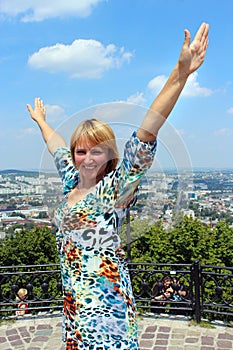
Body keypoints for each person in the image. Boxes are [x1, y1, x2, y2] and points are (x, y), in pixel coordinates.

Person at [27, 22, 209, 350]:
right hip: (75, 312)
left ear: (109, 154)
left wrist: (179, 75)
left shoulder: (115, 189)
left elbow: (146, 133)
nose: (87, 157)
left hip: (106, 315)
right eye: (80, 150)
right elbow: (56, 147)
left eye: (97, 150)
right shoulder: (72, 182)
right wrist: (42, 121)